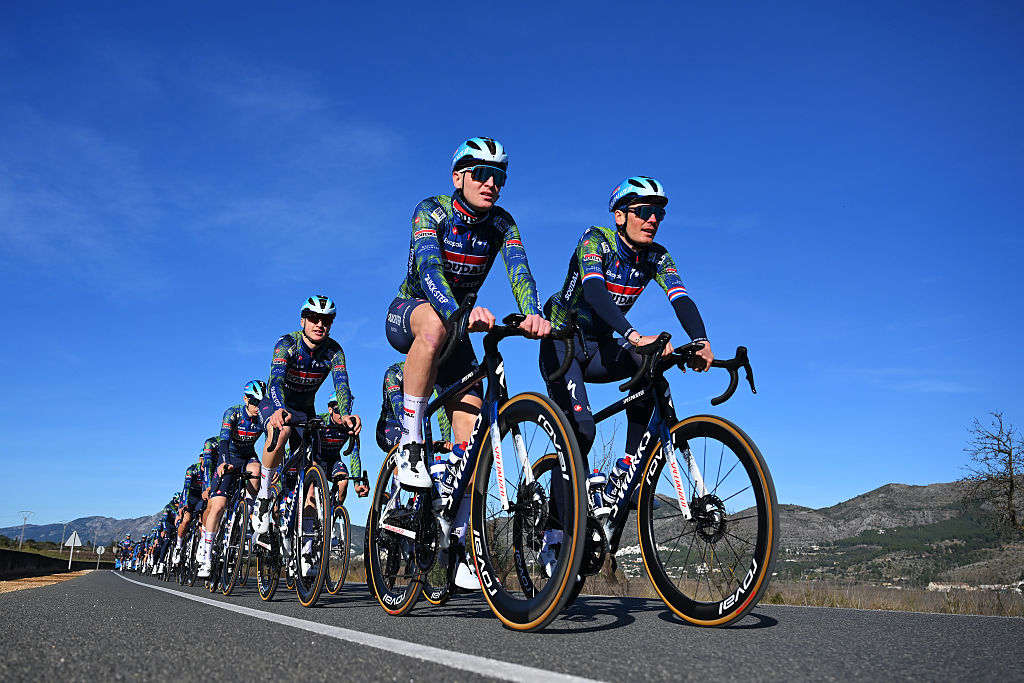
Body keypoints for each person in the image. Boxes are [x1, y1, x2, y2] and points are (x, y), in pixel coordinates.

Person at [538, 176, 714, 572]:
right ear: (620, 216)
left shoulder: (657, 257)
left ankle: (626, 471)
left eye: (659, 214)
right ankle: (554, 534)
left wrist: (700, 340)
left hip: (600, 347)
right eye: (644, 211)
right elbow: (595, 293)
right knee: (581, 431)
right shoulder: (595, 240)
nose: (653, 220)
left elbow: (681, 298)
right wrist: (634, 335)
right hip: (563, 343)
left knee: (649, 367)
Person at [384, 136, 550, 491]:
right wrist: (457, 311)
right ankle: (410, 443)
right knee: (434, 324)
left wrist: (532, 313)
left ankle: (454, 519)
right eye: (481, 173)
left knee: (471, 448)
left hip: (456, 328)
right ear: (458, 177)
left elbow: (520, 273)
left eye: (499, 176)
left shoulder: (502, 224)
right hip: (412, 313)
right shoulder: (431, 210)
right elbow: (429, 270)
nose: (491, 183)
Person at [250, 295, 361, 557]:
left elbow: (341, 385)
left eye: (326, 320)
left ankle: (306, 552)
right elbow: (276, 380)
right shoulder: (287, 343)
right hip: (276, 402)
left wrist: (346, 415)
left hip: (306, 410)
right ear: (303, 321)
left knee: (311, 482)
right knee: (282, 430)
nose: (319, 324)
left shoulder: (334, 351)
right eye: (313, 318)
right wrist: (279, 408)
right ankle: (264, 499)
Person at [199, 381, 267, 578]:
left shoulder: (262, 416)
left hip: (248, 457)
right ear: (246, 399)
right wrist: (223, 462)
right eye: (254, 402)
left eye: (262, 402)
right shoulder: (233, 413)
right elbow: (224, 440)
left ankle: (247, 513)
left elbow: (271, 441)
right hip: (229, 457)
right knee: (218, 506)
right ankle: (206, 557)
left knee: (257, 470)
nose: (258, 407)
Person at [375, 361, 452, 453]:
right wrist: (410, 434)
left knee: (421, 454)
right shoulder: (393, 373)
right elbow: (399, 408)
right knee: (411, 449)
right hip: (389, 427)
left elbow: (441, 407)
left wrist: (446, 440)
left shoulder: (432, 374)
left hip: (414, 429)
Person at [318, 393, 369, 504]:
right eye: (337, 410)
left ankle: (333, 511)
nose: (341, 415)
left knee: (343, 481)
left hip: (333, 461)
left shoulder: (350, 426)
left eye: (345, 410)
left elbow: (354, 455)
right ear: (330, 409)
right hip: (316, 460)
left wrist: (357, 484)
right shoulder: (321, 421)